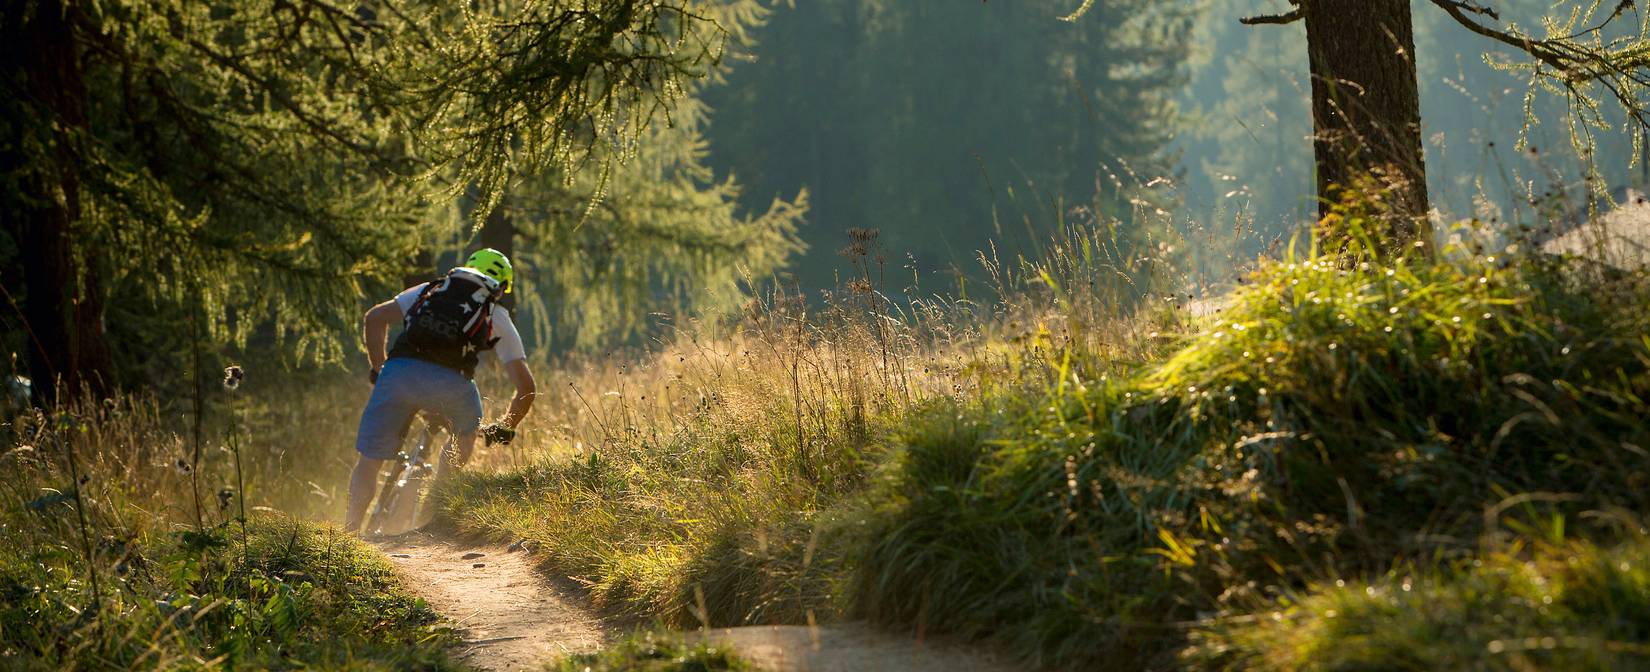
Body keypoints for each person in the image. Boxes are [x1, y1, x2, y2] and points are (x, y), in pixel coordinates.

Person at [343, 248, 536, 534]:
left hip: (398, 374)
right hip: (452, 386)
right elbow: (526, 388)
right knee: (464, 434)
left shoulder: (432, 289)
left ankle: (350, 530)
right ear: (501, 287)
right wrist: (506, 426)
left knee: (369, 460)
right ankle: (435, 514)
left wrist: (379, 369)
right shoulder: (496, 314)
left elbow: (375, 318)